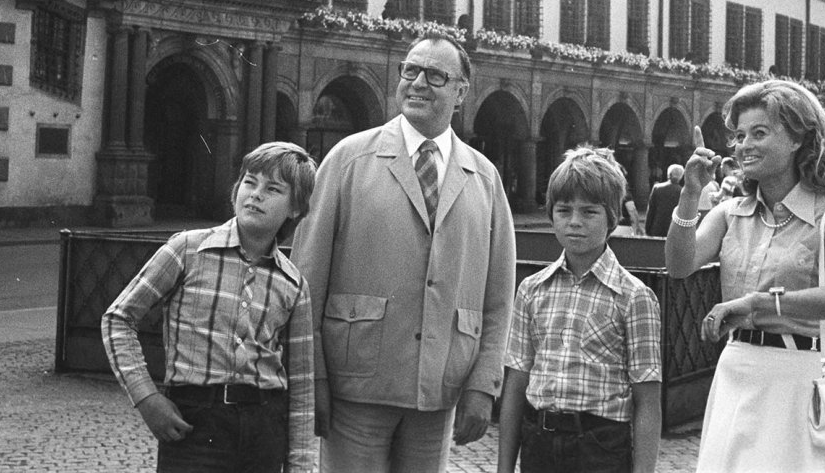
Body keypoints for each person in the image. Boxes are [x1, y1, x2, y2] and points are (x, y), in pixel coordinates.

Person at [291, 34, 517, 473]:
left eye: (435, 75)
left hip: (439, 386)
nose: (418, 83)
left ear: (461, 92)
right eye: (410, 71)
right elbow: (306, 280)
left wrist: (483, 385)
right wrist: (312, 377)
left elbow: (498, 295)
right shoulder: (348, 159)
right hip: (355, 383)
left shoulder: (485, 177)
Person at [664, 79, 825, 473]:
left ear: (796, 140)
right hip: (735, 369)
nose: (744, 145)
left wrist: (761, 303)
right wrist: (689, 194)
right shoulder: (729, 213)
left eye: (759, 133)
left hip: (796, 376)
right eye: (739, 136)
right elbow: (679, 265)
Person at [101, 142, 318, 473]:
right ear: (236, 190)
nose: (256, 194)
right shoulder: (187, 250)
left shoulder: (294, 284)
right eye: (250, 182)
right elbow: (118, 319)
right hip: (196, 423)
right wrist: (147, 398)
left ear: (296, 208)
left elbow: (301, 385)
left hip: (264, 428)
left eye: (273, 189)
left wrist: (301, 464)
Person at [497, 145, 662, 473]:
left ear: (612, 218)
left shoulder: (634, 297)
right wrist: (504, 467)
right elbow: (516, 381)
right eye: (564, 211)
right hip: (539, 441)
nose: (574, 222)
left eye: (589, 212)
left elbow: (647, 398)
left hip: (600, 447)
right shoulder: (532, 290)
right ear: (551, 215)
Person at [645, 163, 684, 237]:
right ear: (681, 176)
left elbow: (651, 210)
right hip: (674, 229)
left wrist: (647, 228)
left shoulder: (657, 188)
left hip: (657, 227)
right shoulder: (682, 192)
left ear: (669, 174)